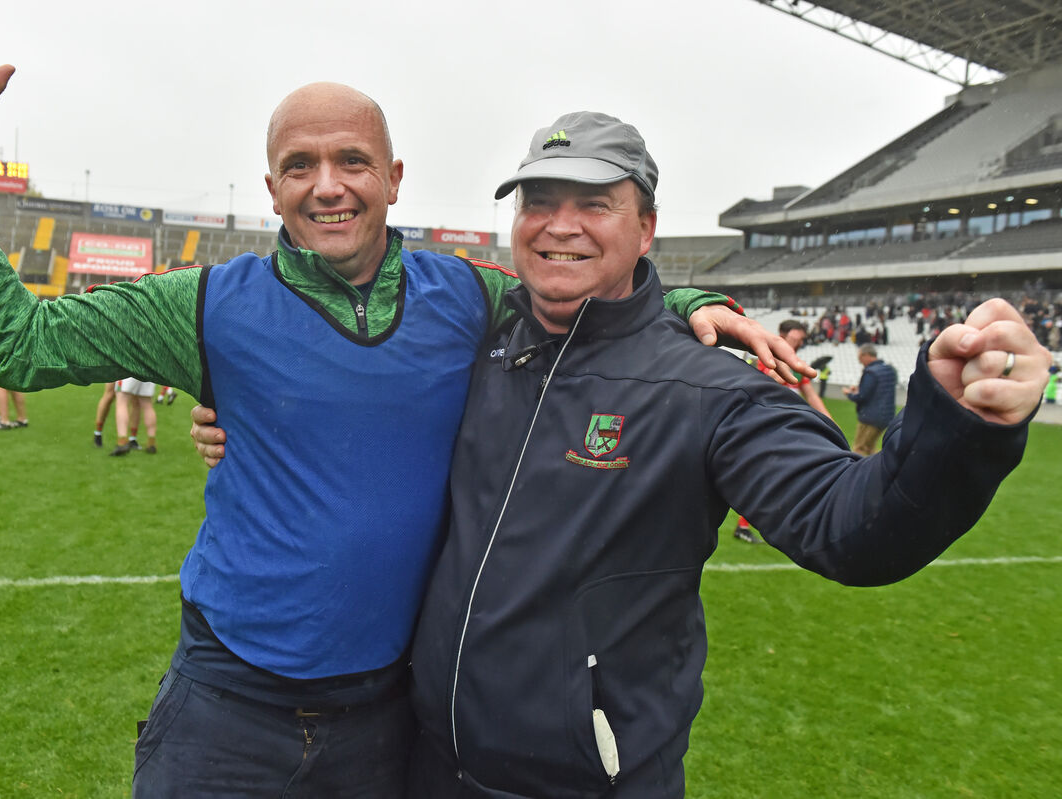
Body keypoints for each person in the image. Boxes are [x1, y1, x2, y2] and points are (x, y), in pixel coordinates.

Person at [0, 48, 812, 797]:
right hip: (227, 709)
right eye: (300, 166)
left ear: (394, 177)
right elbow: (16, 342)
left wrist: (685, 296)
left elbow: (586, 289)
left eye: (351, 160)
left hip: (389, 720)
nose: (328, 184)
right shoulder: (202, 304)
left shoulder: (468, 297)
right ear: (273, 187)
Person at [397, 111, 1045, 797]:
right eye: (539, 202)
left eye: (594, 204)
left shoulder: (708, 381)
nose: (560, 225)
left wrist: (957, 426)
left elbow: (851, 525)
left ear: (645, 228)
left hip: (586, 783)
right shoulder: (487, 343)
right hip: (434, 766)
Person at [732, 318, 829, 543]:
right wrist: (773, 377)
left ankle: (769, 523)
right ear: (785, 333)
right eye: (797, 333)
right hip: (762, 423)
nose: (800, 337)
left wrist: (829, 420)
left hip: (786, 426)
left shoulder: (797, 362)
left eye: (801, 335)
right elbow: (761, 381)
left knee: (776, 473)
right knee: (760, 473)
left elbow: (811, 395)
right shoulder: (766, 355)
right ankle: (747, 525)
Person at [844, 343, 898, 456]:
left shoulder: (871, 372)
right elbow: (881, 390)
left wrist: (849, 393)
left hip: (870, 417)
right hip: (886, 417)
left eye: (860, 358)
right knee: (870, 447)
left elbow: (862, 396)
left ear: (866, 355)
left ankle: (860, 473)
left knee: (860, 449)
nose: (860, 362)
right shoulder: (889, 370)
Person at [110, 378, 158, 455]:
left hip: (131, 367)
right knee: (147, 404)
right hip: (150, 368)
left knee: (122, 400)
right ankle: (151, 442)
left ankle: (122, 442)